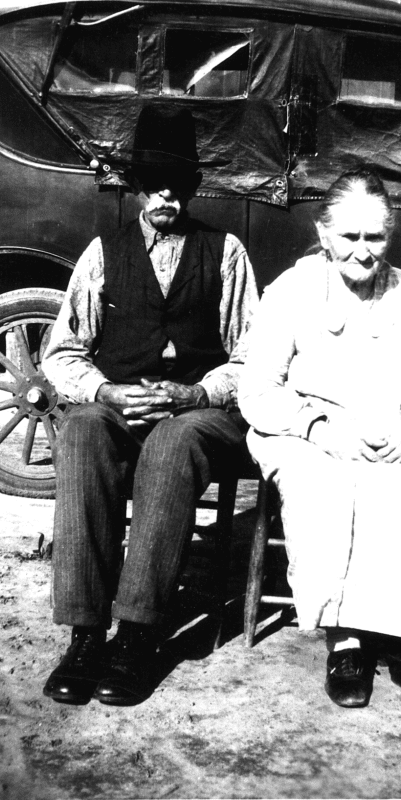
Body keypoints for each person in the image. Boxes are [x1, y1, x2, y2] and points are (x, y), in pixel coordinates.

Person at [41, 103, 258, 707]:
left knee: (174, 441)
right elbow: (61, 353)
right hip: (120, 403)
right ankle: (87, 635)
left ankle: (136, 635)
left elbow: (255, 358)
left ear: (190, 187)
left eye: (178, 182)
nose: (166, 193)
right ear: (137, 186)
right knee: (81, 431)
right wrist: (105, 391)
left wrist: (197, 393)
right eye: (154, 180)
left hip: (198, 412)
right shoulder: (104, 251)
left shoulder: (226, 250)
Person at [238, 166, 401, 708]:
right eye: (349, 237)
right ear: (324, 233)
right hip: (305, 429)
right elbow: (256, 390)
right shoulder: (291, 290)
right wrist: (320, 430)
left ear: (390, 236)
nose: (363, 252)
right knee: (328, 487)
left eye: (376, 237)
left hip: (392, 427)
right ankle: (346, 640)